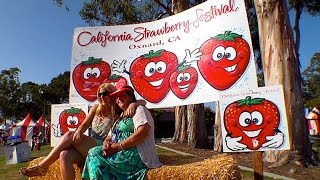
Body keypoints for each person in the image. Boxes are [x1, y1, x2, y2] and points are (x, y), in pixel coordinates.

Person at [20, 83, 146, 179]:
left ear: (113, 94)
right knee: (64, 155)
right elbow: (85, 123)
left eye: (105, 93)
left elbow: (142, 102)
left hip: (105, 146)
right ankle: (44, 167)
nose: (102, 96)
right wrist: (80, 131)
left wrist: (133, 104)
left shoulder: (118, 107)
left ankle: (43, 167)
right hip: (90, 146)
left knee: (69, 135)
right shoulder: (96, 108)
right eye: (100, 94)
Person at [82, 86, 162, 180]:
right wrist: (106, 144)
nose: (119, 98)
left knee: (95, 155)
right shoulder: (120, 116)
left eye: (122, 95)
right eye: (117, 97)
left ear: (131, 97)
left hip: (136, 155)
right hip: (121, 151)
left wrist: (119, 146)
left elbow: (143, 132)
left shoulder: (139, 109)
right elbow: (109, 136)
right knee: (94, 151)